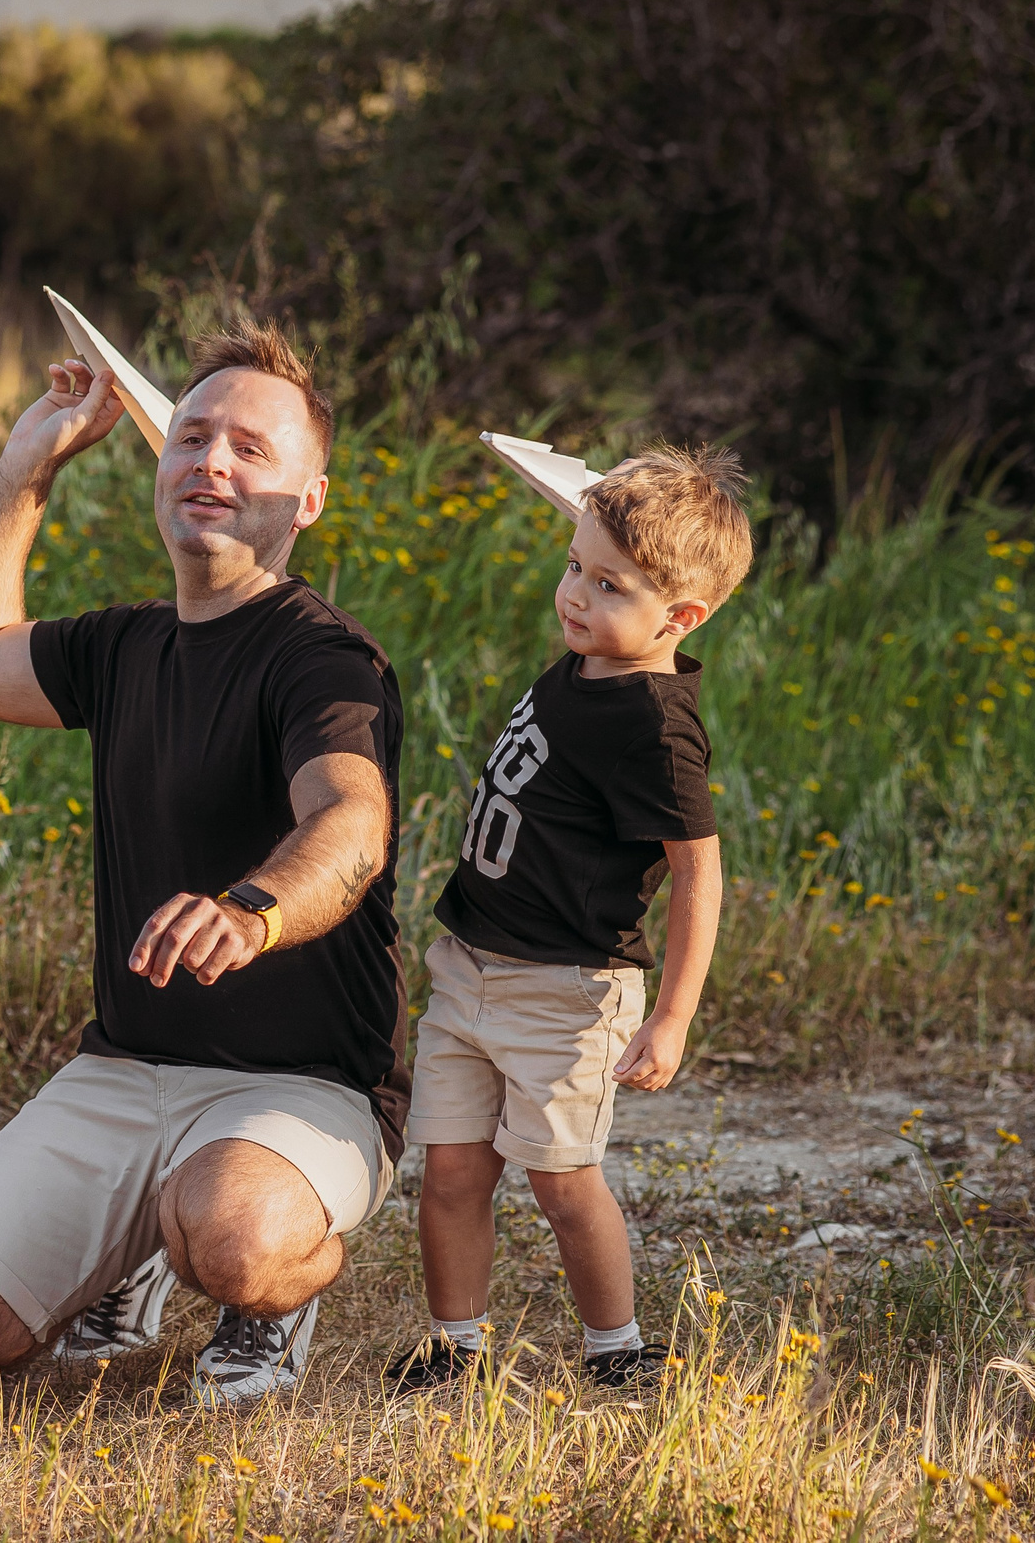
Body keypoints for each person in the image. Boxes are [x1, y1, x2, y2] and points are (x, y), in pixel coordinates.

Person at [0, 321, 407, 1407]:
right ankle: (125, 1251)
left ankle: (275, 1296)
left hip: (301, 1087)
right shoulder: (124, 646)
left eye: (249, 448)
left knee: (229, 1241)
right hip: (125, 1067)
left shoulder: (323, 657)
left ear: (305, 500)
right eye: (190, 435)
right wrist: (21, 470)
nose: (210, 460)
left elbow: (352, 825)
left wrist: (254, 909)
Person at [386, 445, 750, 1392]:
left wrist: (671, 1017)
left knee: (559, 1179)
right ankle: (456, 1349)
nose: (574, 595)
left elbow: (699, 876)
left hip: (567, 989)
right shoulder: (593, 654)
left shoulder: (654, 726)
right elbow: (608, 520)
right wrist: (622, 503)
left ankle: (615, 1350)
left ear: (680, 619)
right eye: (573, 568)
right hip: (468, 966)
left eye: (607, 585)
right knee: (453, 1172)